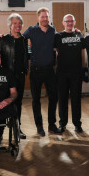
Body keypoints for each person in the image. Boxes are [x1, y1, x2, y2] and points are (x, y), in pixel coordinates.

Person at [23, 7, 60, 136]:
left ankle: (52, 125)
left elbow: (58, 43)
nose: (45, 19)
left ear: (49, 18)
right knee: (36, 100)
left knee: (54, 97)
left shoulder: (53, 30)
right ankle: (39, 126)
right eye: (42, 16)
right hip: (36, 70)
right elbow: (19, 38)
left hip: (50, 70)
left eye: (47, 16)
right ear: (38, 18)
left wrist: (76, 32)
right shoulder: (31, 30)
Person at [0, 13, 29, 139]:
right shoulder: (3, 39)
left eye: (19, 23)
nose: (17, 25)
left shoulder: (25, 40)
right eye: (15, 23)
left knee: (18, 103)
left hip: (20, 76)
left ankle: (17, 128)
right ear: (10, 25)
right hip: (5, 77)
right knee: (3, 104)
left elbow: (26, 56)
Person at [54, 14, 84, 133]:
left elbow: (84, 45)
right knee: (62, 99)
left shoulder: (78, 35)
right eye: (67, 21)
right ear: (63, 23)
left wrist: (80, 33)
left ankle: (77, 124)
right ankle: (62, 124)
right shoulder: (58, 36)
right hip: (62, 73)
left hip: (76, 73)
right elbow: (52, 49)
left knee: (76, 99)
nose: (69, 23)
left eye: (71, 21)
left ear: (74, 22)